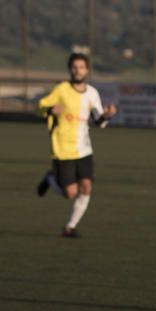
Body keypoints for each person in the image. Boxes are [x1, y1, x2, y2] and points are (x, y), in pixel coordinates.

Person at [36, 53, 116, 238]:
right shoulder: (61, 90)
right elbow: (40, 106)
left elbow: (98, 122)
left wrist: (107, 115)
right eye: (74, 67)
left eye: (81, 67)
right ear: (70, 69)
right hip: (63, 149)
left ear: (87, 70)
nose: (78, 70)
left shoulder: (92, 93)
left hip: (84, 149)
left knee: (86, 186)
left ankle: (69, 227)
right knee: (70, 194)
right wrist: (49, 109)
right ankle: (50, 179)